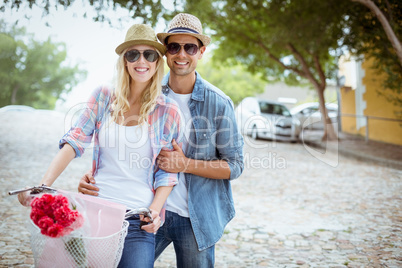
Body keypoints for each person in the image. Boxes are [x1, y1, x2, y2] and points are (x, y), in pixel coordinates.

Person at [78, 13, 244, 267]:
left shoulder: (218, 104)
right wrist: (93, 175)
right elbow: (119, 143)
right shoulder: (146, 91)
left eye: (190, 47)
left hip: (194, 218)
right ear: (164, 52)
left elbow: (235, 166)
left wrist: (185, 164)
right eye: (174, 47)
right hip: (146, 212)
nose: (181, 54)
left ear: (201, 52)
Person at [19, 24, 182, 268]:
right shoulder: (104, 96)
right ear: (124, 61)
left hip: (138, 219)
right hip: (95, 209)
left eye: (149, 55)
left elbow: (167, 172)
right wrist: (43, 186)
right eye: (132, 54)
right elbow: (74, 141)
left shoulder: (168, 110)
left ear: (157, 62)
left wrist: (155, 211)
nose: (141, 61)